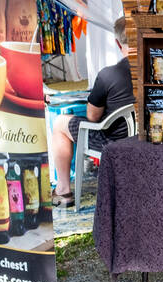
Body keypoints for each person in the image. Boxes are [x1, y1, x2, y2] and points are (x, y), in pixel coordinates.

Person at [51, 17, 133, 206]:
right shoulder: (156, 69)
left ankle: (63, 190)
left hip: (114, 143)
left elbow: (92, 117)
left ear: (117, 43)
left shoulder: (108, 75)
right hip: (149, 138)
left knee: (60, 124)